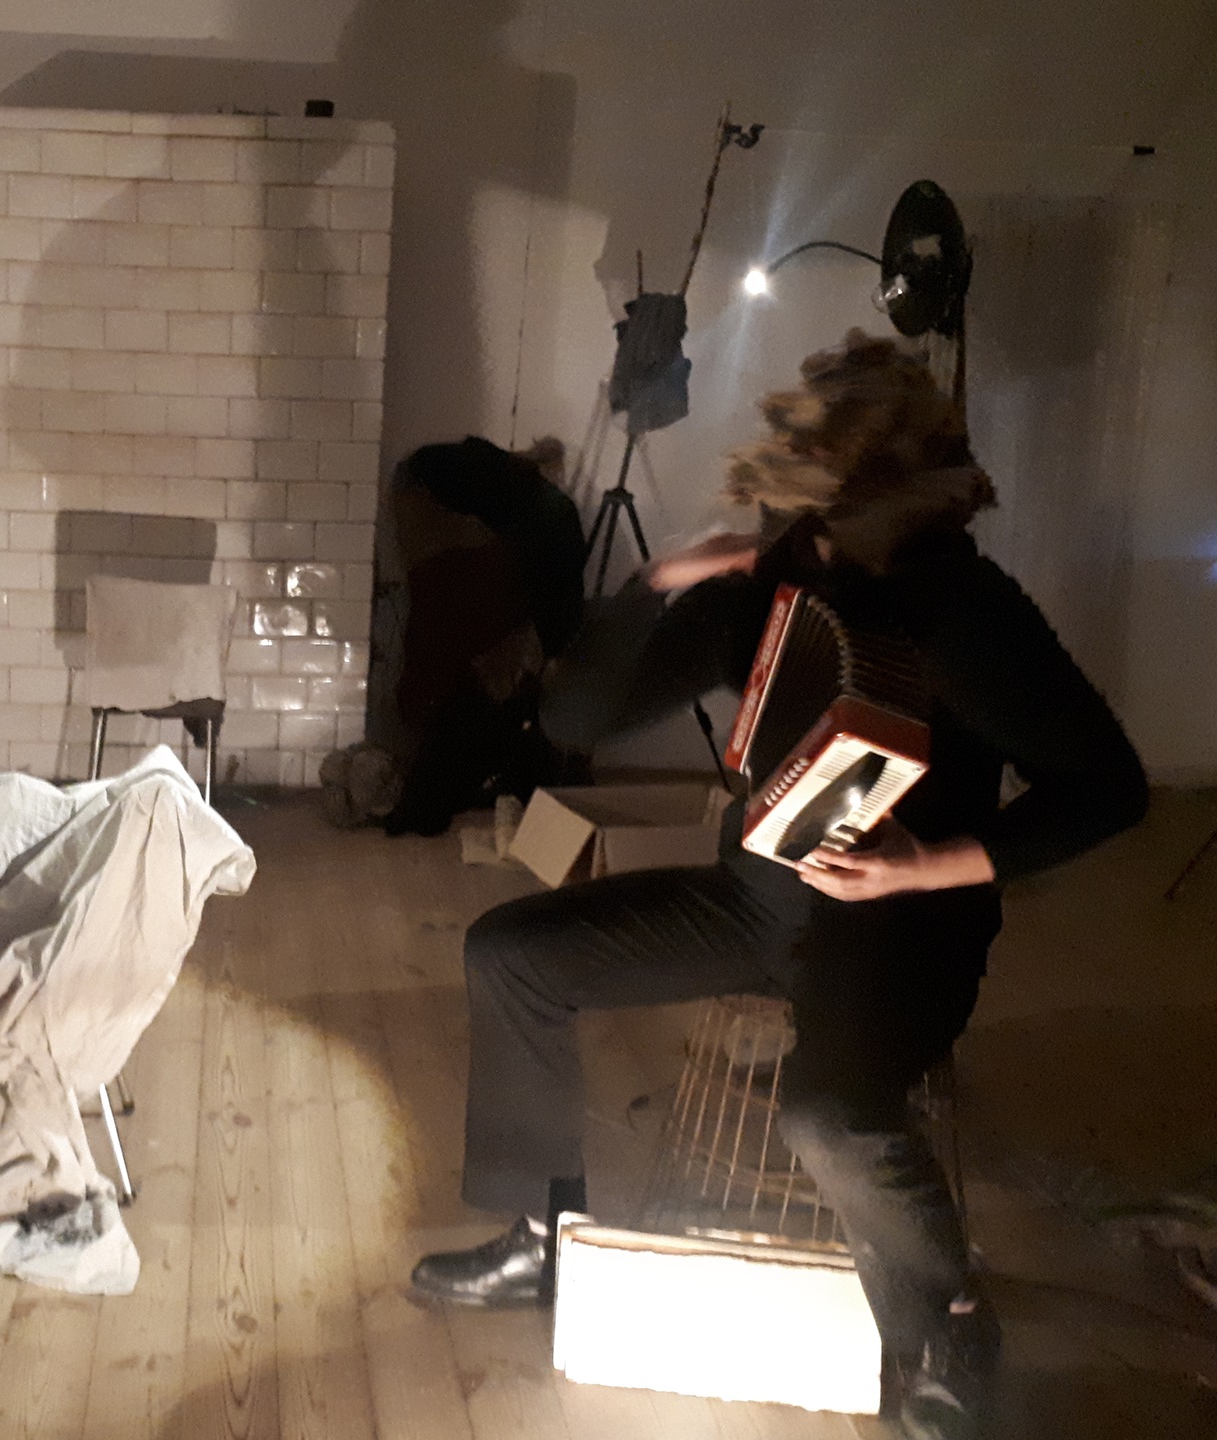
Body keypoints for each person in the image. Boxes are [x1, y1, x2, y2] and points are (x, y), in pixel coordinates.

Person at [408, 331, 1149, 1440]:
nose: (799, 534)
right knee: (513, 954)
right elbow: (576, 716)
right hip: (754, 900)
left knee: (827, 1114)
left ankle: (950, 1322)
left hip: (905, 933)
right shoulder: (777, 579)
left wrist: (928, 864)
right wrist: (656, 583)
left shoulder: (967, 612)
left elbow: (1110, 789)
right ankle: (541, 1237)